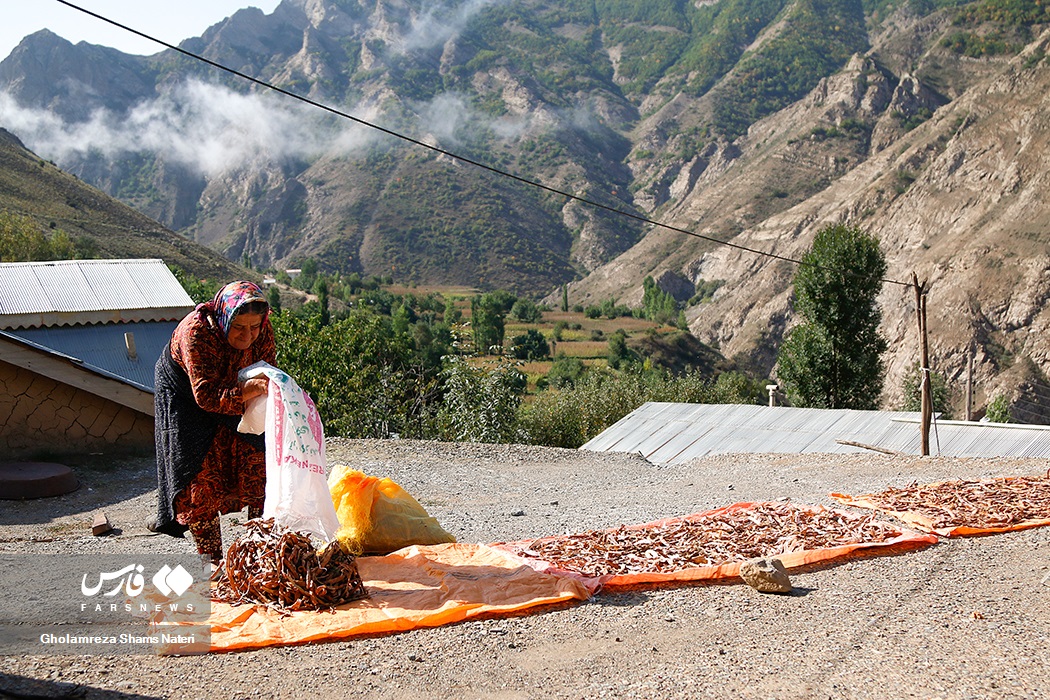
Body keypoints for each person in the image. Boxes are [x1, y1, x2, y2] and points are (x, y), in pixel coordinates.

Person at [152, 280, 276, 564]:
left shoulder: (262, 329)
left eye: (254, 327)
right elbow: (206, 395)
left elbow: (267, 370)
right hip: (187, 395)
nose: (248, 336)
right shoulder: (196, 333)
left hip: (240, 387)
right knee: (200, 477)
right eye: (238, 327)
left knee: (259, 462)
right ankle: (213, 564)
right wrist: (249, 390)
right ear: (223, 317)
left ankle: (257, 554)